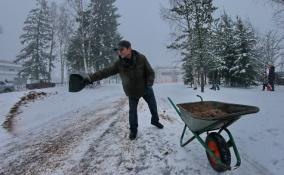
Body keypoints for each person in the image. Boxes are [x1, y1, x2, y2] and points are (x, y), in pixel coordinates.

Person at [85, 40, 164, 140]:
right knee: (132, 112)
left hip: (145, 88)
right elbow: (105, 72)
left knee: (153, 106)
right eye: (118, 50)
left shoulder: (141, 58)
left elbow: (150, 72)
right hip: (132, 91)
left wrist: (149, 84)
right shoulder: (119, 64)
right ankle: (133, 130)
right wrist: (90, 78)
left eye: (121, 49)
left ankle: (155, 121)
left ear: (129, 49)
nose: (119, 52)